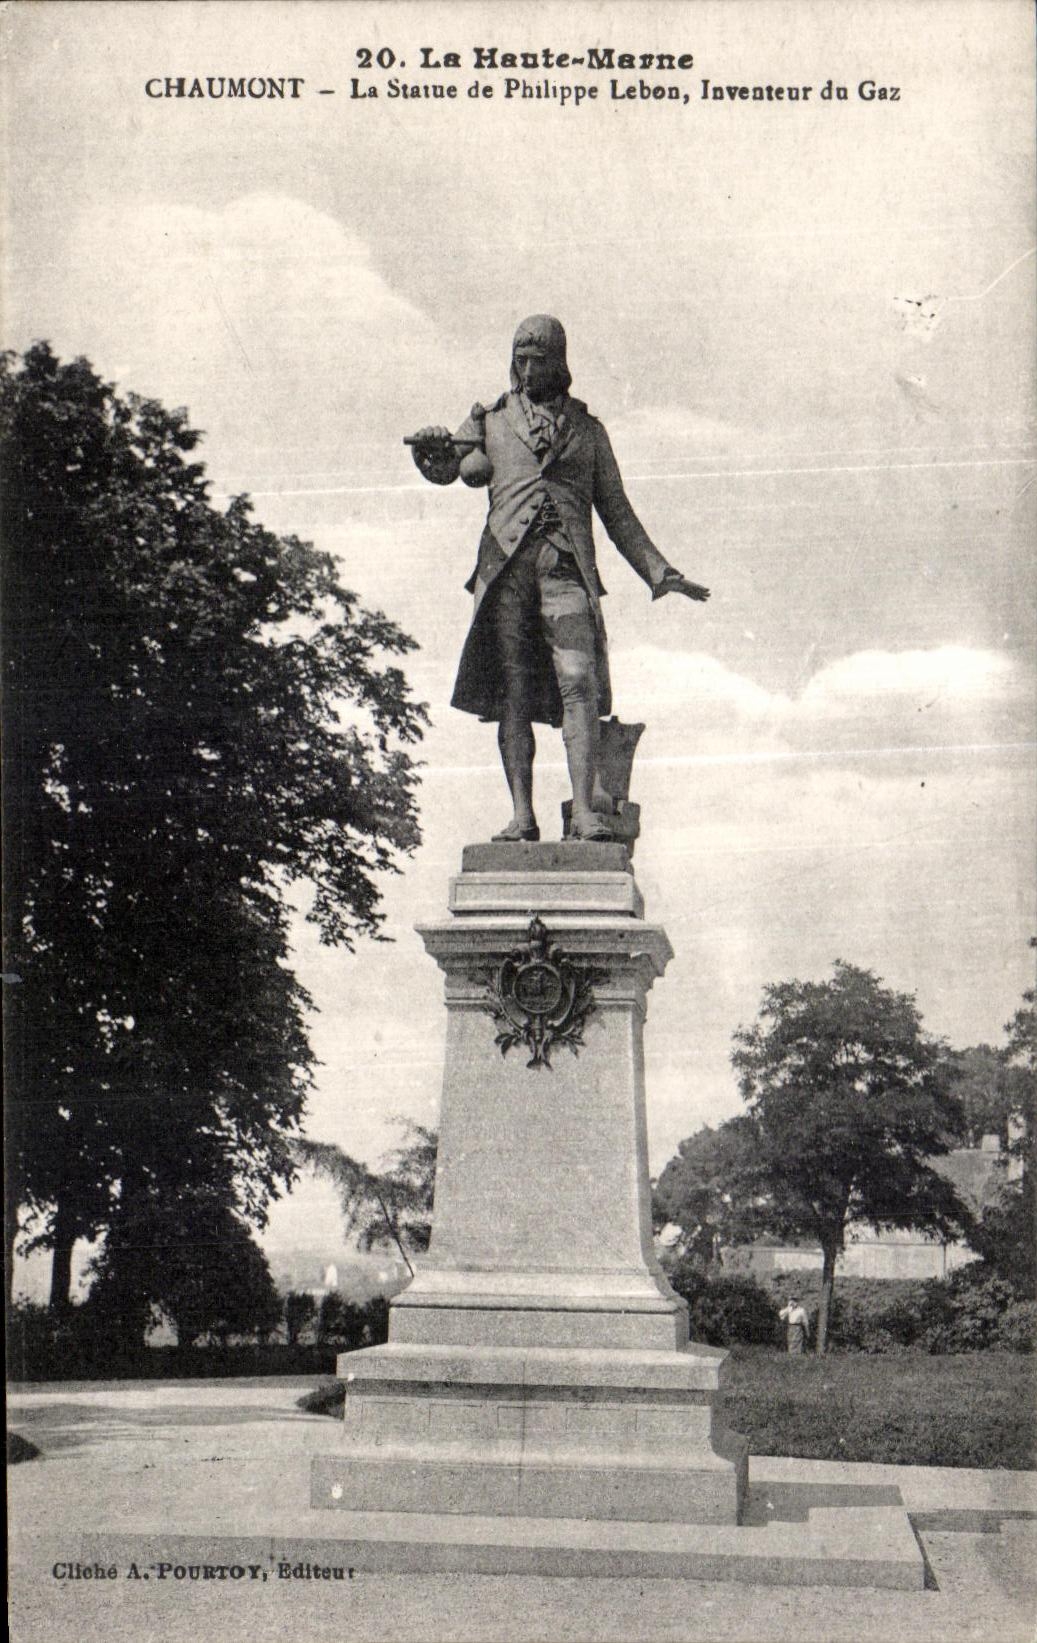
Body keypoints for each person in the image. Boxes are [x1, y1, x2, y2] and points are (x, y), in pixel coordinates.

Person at [409, 315, 710, 842]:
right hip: (504, 571)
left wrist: (661, 573)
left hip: (567, 568)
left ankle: (587, 813)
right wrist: (428, 449)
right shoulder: (488, 419)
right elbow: (446, 470)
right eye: (520, 358)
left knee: (579, 679)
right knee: (514, 693)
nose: (528, 369)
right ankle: (522, 816)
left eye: (539, 359)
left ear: (560, 362)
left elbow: (617, 513)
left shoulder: (589, 431)